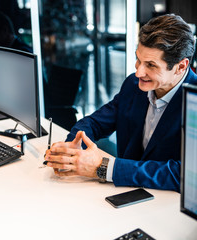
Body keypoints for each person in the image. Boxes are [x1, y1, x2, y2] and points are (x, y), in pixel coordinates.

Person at [44, 14, 197, 192]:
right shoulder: (133, 85)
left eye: (151, 65)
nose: (139, 72)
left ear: (181, 67)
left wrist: (104, 167)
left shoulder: (193, 101)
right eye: (138, 59)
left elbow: (185, 174)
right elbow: (95, 123)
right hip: (123, 195)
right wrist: (73, 148)